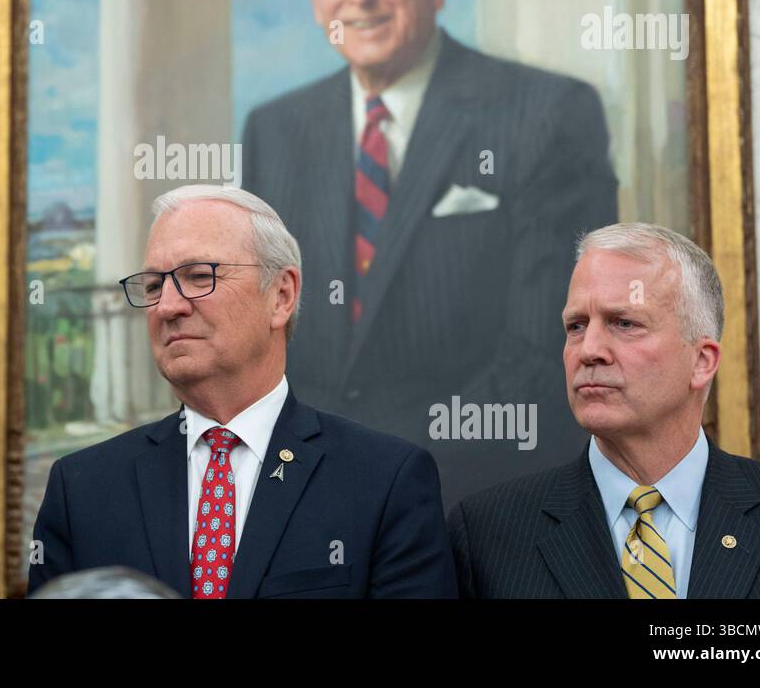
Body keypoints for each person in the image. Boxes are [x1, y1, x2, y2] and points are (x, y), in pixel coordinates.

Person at [242, 0, 618, 505]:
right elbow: (259, 341)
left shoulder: (547, 115)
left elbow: (541, 356)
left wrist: (376, 484)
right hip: (301, 503)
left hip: (482, 508)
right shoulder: (273, 130)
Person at [29, 184, 456, 598]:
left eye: (198, 276)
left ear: (281, 296)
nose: (167, 307)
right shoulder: (84, 489)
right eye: (155, 286)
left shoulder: (383, 481)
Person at [448, 223, 760, 598]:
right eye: (576, 326)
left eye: (624, 323)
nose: (589, 350)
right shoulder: (487, 537)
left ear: (702, 361)